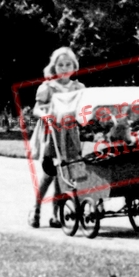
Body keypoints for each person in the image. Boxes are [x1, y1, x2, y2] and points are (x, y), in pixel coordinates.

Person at [28, 47, 85, 228]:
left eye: (68, 64)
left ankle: (56, 213)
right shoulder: (48, 88)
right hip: (51, 134)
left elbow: (83, 109)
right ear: (54, 68)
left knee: (65, 173)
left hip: (69, 135)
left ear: (73, 66)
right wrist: (44, 115)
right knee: (50, 172)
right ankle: (36, 207)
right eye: (60, 65)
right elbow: (37, 109)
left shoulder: (78, 88)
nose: (64, 68)